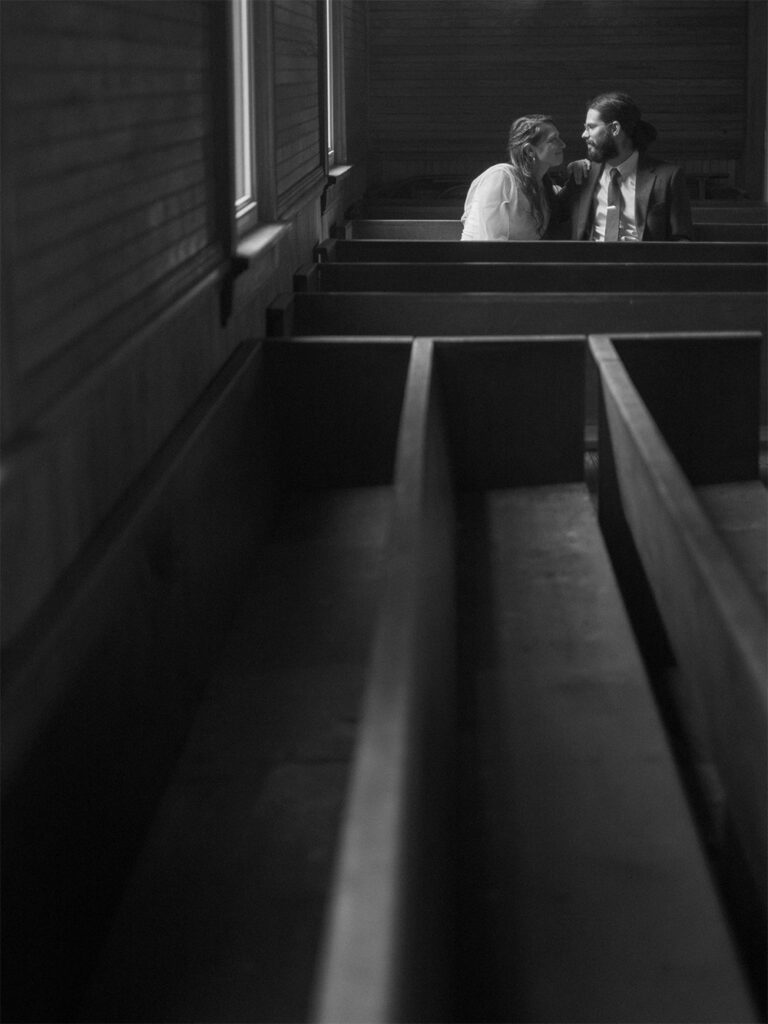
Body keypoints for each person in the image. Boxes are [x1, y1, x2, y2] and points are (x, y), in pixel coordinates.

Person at [557, 91, 693, 241]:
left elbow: (682, 238)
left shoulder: (667, 176)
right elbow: (551, 213)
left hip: (643, 261)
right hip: (592, 261)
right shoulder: (583, 173)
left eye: (591, 127)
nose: (584, 134)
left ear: (614, 129)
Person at [460, 115, 566, 240]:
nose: (563, 144)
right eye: (553, 140)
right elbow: (488, 241)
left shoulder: (545, 189)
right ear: (529, 151)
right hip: (482, 258)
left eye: (559, 137)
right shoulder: (502, 178)